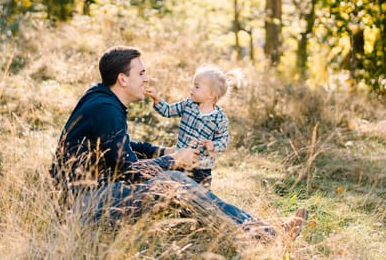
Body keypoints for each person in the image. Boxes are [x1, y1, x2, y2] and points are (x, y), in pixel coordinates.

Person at [50, 45, 307, 241]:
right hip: (83, 206)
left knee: (175, 179)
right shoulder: (107, 109)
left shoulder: (100, 97)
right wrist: (173, 160)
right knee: (173, 182)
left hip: (87, 195)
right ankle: (269, 236)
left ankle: (242, 229)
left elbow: (121, 146)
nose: (146, 79)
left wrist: (162, 152)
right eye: (141, 73)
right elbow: (129, 170)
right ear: (123, 79)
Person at [145, 65, 237, 189]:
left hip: (202, 169)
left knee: (200, 197)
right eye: (193, 84)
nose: (191, 88)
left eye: (197, 86)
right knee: (176, 191)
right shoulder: (188, 105)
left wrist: (214, 145)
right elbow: (168, 110)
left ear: (210, 94)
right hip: (181, 160)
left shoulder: (219, 118)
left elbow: (224, 139)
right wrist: (157, 100)